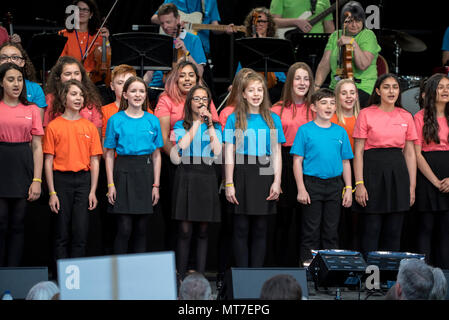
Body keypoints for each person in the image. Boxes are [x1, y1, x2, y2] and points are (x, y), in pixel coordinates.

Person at [154, 60, 218, 251]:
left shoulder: (203, 98)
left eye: (191, 75)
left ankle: (193, 264)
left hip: (200, 165)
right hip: (174, 162)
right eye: (182, 75)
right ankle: (174, 264)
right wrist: (177, 158)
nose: (187, 79)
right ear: (175, 78)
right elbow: (163, 136)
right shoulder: (166, 99)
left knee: (198, 219)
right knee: (177, 218)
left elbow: (213, 125)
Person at [224, 72, 285, 268]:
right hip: (242, 172)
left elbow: (277, 152)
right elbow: (229, 153)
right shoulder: (234, 119)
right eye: (251, 90)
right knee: (240, 228)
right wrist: (229, 183)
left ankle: (256, 275)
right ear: (243, 94)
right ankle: (242, 275)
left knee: (261, 228)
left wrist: (277, 181)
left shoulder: (273, 119)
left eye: (260, 90)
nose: (256, 94)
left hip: (265, 171)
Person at [353, 73, 417, 254]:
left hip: (398, 175)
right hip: (372, 174)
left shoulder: (406, 116)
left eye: (395, 87)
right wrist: (359, 184)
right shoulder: (366, 114)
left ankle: (391, 280)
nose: (391, 91)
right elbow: (358, 152)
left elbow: (410, 153)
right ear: (378, 91)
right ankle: (369, 279)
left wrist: (411, 186)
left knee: (394, 232)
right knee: (371, 229)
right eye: (387, 87)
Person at [291, 88, 353, 266]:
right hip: (312, 184)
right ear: (313, 107)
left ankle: (329, 270)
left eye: (332, 103)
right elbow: (297, 161)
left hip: (335, 185)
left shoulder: (340, 132)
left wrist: (348, 188)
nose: (329, 106)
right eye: (324, 102)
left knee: (331, 230)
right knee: (310, 230)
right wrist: (301, 188)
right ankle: (308, 269)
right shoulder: (305, 131)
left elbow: (346, 162)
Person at [43, 79, 102, 261]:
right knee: (61, 232)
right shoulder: (54, 126)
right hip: (61, 181)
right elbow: (48, 161)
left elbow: (95, 161)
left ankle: (78, 278)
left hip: (83, 182)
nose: (79, 98)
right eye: (74, 94)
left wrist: (93, 191)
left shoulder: (89, 127)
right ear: (64, 97)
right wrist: (52, 192)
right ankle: (61, 278)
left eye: (81, 95)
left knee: (80, 232)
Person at [104, 76, 163, 254]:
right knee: (124, 228)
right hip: (123, 172)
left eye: (141, 91)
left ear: (146, 94)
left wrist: (156, 185)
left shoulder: (152, 120)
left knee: (142, 229)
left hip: (145, 174)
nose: (138, 95)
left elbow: (157, 155)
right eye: (133, 91)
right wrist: (110, 184)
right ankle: (119, 274)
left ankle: (138, 275)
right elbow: (108, 154)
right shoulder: (115, 120)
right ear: (125, 95)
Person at [172, 84, 222, 279]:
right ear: (189, 102)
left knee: (203, 229)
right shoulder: (180, 125)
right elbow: (181, 147)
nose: (201, 103)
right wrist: (197, 124)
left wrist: (209, 126)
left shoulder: (215, 126)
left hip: (207, 174)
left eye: (204, 99)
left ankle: (200, 276)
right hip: (186, 173)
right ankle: (181, 276)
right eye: (197, 99)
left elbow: (218, 153)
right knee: (184, 230)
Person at [271, 62, 315, 266]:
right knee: (283, 218)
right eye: (298, 78)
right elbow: (273, 146)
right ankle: (282, 264)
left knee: (306, 220)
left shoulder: (315, 108)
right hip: (285, 162)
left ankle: (306, 266)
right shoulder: (277, 109)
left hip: (310, 163)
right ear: (290, 81)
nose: (302, 82)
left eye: (306, 78)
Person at [0, 63, 43, 267]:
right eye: (10, 79)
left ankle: (13, 274)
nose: (16, 84)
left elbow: (37, 146)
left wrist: (37, 179)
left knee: (18, 224)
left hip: (22, 165)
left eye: (19, 79)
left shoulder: (32, 109)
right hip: (2, 163)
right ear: (1, 82)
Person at [314, 1, 381, 108]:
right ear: (343, 22)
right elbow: (324, 64)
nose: (354, 25)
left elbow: (363, 65)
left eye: (358, 21)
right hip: (336, 87)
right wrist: (316, 87)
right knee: (319, 102)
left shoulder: (368, 35)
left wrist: (353, 43)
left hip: (362, 88)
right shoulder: (335, 35)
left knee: (342, 102)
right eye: (350, 21)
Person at [413, 73, 449, 269]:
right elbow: (416, 154)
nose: (446, 91)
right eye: (441, 87)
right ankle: (422, 278)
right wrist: (436, 182)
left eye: (448, 87)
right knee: (425, 228)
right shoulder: (419, 117)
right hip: (427, 177)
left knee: (446, 230)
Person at [144, 3, 207, 103]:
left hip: (180, 90)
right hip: (156, 88)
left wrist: (186, 52)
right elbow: (148, 75)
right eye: (162, 23)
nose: (165, 26)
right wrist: (141, 85)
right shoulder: (159, 41)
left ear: (178, 19)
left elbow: (200, 72)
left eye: (168, 22)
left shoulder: (193, 40)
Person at [331, 78, 360, 250]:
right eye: (344, 93)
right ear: (337, 96)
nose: (348, 96)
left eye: (352, 92)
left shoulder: (363, 118)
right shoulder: (332, 119)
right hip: (337, 171)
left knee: (356, 221)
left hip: (359, 170)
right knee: (338, 220)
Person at [150, 0, 235, 57]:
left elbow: (214, 26)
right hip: (174, 47)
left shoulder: (210, 1)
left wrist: (225, 29)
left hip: (200, 48)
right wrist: (173, 24)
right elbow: (154, 18)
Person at [44, 56, 103, 136]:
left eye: (77, 73)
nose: (73, 77)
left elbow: (96, 133)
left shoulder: (91, 98)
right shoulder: (50, 99)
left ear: (82, 76)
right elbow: (46, 132)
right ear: (58, 77)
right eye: (68, 74)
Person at [240, 7, 286, 103]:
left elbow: (281, 75)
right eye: (256, 21)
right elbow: (241, 69)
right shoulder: (245, 45)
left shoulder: (276, 44)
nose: (259, 24)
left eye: (262, 21)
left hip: (274, 85)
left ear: (268, 24)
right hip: (250, 84)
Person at [59, 0, 110, 74]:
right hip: (70, 78)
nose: (81, 12)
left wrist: (107, 41)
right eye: (78, 9)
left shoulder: (100, 35)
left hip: (94, 79)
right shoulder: (63, 34)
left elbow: (107, 60)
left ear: (91, 14)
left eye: (85, 10)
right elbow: (60, 63)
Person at [0, 41, 47, 120]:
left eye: (14, 57)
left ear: (22, 62)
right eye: (4, 58)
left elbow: (37, 126)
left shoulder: (35, 89)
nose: (9, 61)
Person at [101, 64, 137, 142]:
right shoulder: (104, 112)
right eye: (120, 83)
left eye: (129, 82)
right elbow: (104, 143)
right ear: (112, 86)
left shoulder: (146, 111)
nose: (125, 86)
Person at [270, 0, 335, 35]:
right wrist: (296, 22)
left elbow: (329, 28)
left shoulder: (325, 0)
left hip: (319, 45)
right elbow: (272, 22)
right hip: (292, 43)